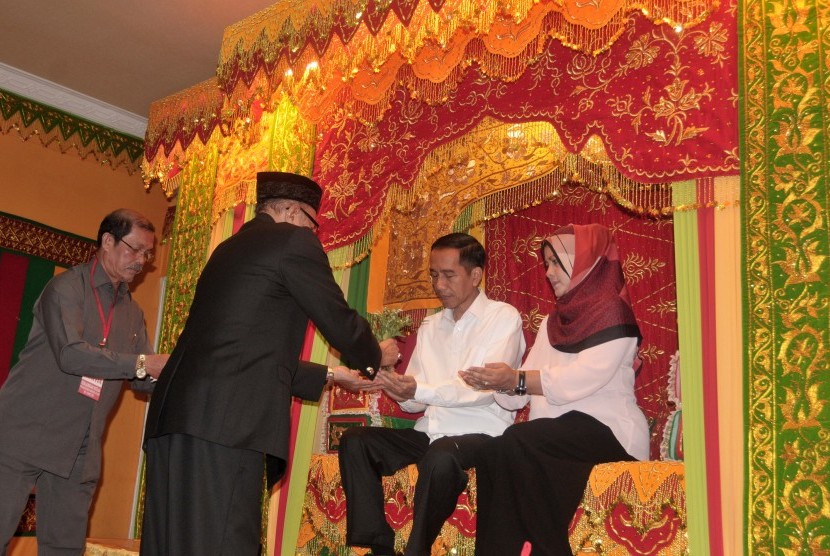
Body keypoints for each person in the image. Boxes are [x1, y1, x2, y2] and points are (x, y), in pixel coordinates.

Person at [139, 171, 399, 556]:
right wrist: (375, 356)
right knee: (223, 542)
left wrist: (333, 374)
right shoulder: (292, 242)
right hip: (224, 425)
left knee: (172, 544)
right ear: (294, 213)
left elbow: (243, 349)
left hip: (176, 419)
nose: (315, 233)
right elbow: (337, 317)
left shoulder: (228, 249)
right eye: (314, 223)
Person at [459, 223, 650, 556]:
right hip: (559, 437)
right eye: (545, 263)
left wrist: (516, 379)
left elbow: (580, 379)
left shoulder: (613, 313)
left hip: (609, 431)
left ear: (585, 263)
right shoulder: (552, 322)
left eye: (556, 262)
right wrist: (497, 383)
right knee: (493, 453)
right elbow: (529, 380)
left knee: (519, 441)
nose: (547, 272)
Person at [339, 232, 526, 556]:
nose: (439, 285)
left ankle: (417, 549)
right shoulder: (430, 325)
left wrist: (418, 388)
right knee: (356, 441)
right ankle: (378, 543)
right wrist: (396, 387)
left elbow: (483, 389)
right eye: (434, 275)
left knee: (441, 456)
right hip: (431, 430)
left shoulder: (503, 317)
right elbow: (415, 400)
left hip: (483, 432)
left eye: (449, 275)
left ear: (476, 275)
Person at [0, 208, 167, 555]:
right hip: (22, 434)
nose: (142, 261)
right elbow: (72, 355)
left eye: (148, 254)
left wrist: (184, 373)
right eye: (134, 249)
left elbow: (142, 380)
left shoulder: (133, 313)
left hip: (81, 448)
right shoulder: (65, 288)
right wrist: (142, 363)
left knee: (64, 548)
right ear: (107, 241)